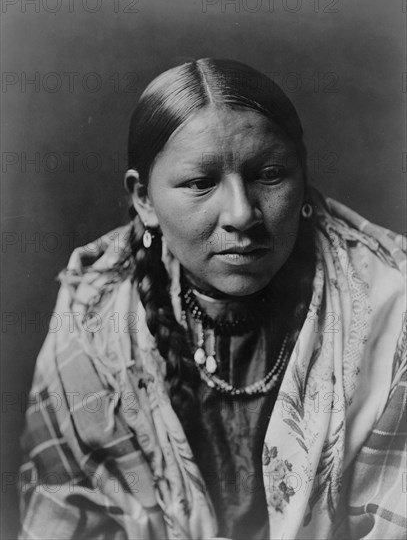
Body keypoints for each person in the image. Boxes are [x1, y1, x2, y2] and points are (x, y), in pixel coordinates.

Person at [19, 59, 406, 540]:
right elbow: (67, 513)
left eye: (269, 174)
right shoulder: (95, 319)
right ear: (144, 200)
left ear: (302, 177)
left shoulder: (390, 306)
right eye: (201, 183)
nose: (242, 214)